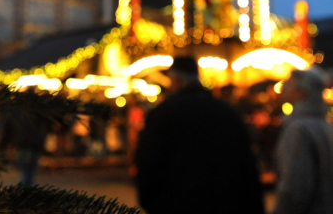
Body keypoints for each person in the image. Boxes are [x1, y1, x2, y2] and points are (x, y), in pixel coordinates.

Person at [135, 56, 264, 214]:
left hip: (175, 204)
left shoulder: (162, 114)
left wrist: (152, 202)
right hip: (222, 203)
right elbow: (246, 166)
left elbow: (149, 161)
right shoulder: (226, 113)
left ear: (176, 79)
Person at [273, 69, 333, 214]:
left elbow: (295, 189)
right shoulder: (325, 126)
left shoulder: (298, 130)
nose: (284, 87)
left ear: (303, 91)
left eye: (289, 83)